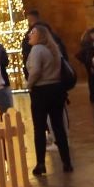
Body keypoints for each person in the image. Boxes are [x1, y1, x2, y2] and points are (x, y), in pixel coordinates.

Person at [24, 24, 71, 175]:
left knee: (39, 128)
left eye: (33, 32)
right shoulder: (54, 49)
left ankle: (40, 163)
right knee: (58, 127)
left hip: (41, 91)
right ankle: (67, 162)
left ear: (40, 35)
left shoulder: (37, 49)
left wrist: (29, 85)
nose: (29, 35)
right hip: (56, 90)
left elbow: (36, 70)